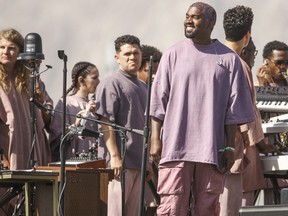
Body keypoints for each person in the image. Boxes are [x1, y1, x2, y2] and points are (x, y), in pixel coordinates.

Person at [149, 2, 255, 216]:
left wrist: (228, 148)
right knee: (172, 207)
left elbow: (233, 110)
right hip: (175, 148)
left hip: (211, 149)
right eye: (187, 16)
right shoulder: (172, 54)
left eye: (195, 17)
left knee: (207, 208)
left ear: (210, 23)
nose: (188, 20)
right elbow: (158, 101)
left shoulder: (228, 59)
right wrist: (155, 139)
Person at [219, 7, 279, 215]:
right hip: (232, 149)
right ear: (247, 35)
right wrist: (260, 144)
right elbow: (247, 112)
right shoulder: (238, 64)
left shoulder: (213, 57)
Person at [0, 28, 52, 215]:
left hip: (34, 151)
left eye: (11, 48)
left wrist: (40, 100)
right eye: (2, 47)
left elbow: (48, 120)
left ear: (20, 51)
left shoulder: (31, 79)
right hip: (8, 152)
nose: (6, 52)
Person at [95, 34, 147, 216]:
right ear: (117, 57)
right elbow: (105, 121)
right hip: (120, 164)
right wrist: (115, 156)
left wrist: (146, 161)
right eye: (127, 54)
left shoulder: (143, 86)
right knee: (115, 212)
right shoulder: (111, 83)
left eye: (136, 53)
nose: (132, 57)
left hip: (139, 162)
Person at [49, 61, 100, 161]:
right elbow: (56, 140)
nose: (98, 81)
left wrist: (98, 115)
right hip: (73, 163)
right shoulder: (65, 103)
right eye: (94, 78)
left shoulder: (95, 104)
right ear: (81, 80)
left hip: (94, 161)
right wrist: (75, 126)